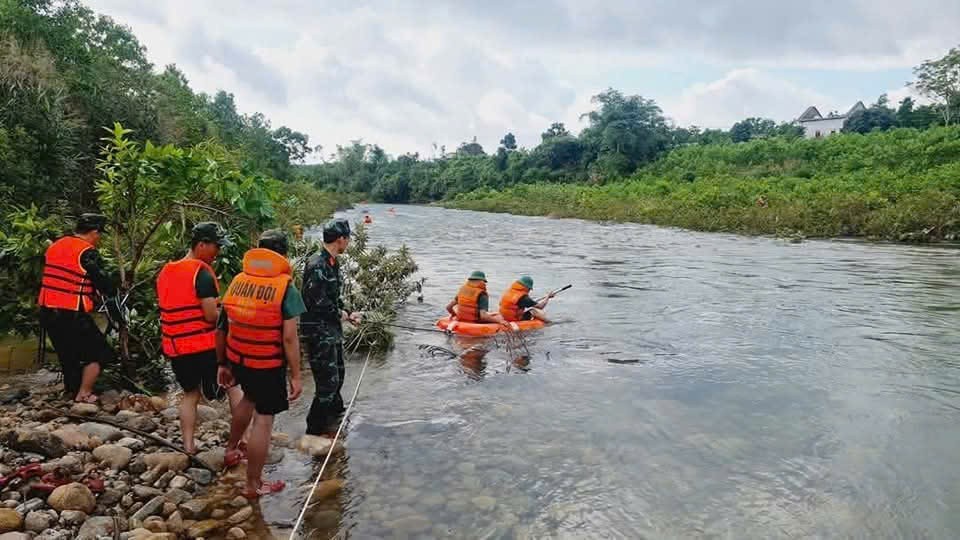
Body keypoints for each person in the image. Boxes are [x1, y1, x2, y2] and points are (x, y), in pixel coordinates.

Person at [217, 230, 305, 499]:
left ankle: (231, 450)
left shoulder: (238, 280)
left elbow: (222, 326)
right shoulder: (285, 288)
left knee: (248, 398)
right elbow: (289, 338)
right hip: (266, 363)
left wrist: (222, 363)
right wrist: (296, 375)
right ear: (283, 255)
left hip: (238, 357)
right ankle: (253, 484)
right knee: (264, 419)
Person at [156, 222, 242, 455]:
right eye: (216, 246)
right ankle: (242, 440)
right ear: (202, 244)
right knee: (233, 387)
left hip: (176, 347)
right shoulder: (201, 273)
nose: (218, 252)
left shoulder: (166, 271)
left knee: (190, 394)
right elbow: (211, 315)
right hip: (204, 346)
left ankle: (188, 445)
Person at [37, 213, 123, 403]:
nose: (99, 238)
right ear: (94, 232)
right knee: (100, 354)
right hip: (70, 312)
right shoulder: (87, 252)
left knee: (67, 354)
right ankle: (84, 393)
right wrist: (114, 291)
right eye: (100, 234)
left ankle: (71, 391)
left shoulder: (56, 245)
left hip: (47, 311)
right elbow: (103, 283)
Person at [301, 218, 360, 438]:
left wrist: (348, 312)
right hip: (318, 333)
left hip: (332, 331)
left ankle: (334, 418)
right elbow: (315, 301)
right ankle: (314, 430)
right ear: (340, 239)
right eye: (348, 238)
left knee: (339, 376)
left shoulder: (333, 263)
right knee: (327, 384)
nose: (349, 242)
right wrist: (339, 314)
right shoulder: (317, 264)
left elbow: (334, 297)